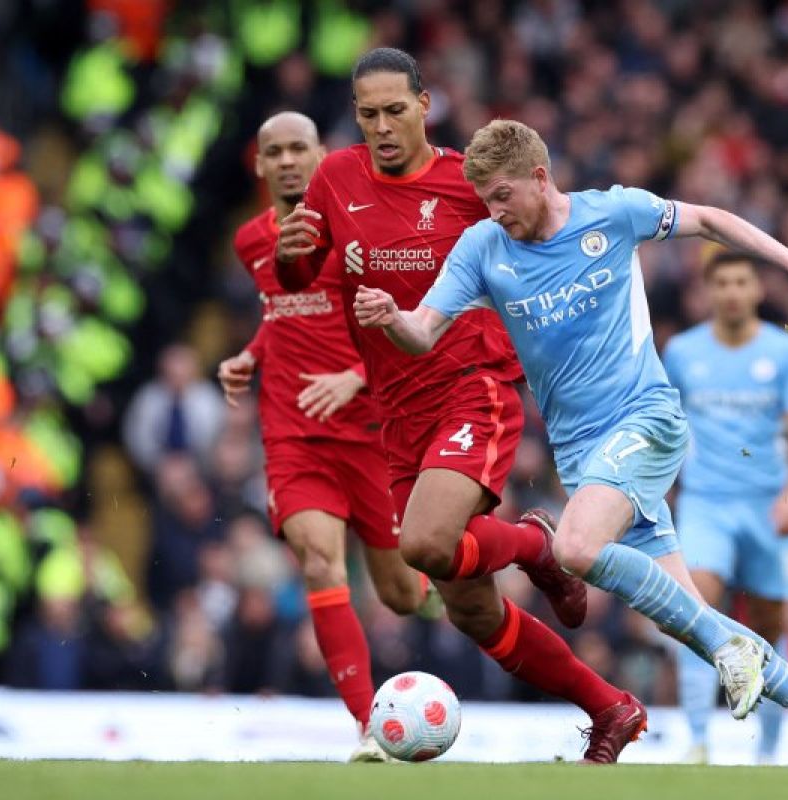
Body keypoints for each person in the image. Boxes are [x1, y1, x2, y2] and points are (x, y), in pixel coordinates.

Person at [358, 118, 788, 767]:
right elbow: (422, 331)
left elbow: (711, 219)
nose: (494, 211)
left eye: (503, 195)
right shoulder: (483, 248)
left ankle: (730, 650)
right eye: (485, 199)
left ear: (540, 179)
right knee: (684, 616)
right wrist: (392, 319)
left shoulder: (615, 212)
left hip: (645, 420)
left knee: (573, 547)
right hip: (584, 456)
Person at [273, 49, 644, 764]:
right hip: (397, 410)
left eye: (395, 110)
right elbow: (305, 270)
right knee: (471, 608)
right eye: (368, 113)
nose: (382, 126)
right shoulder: (335, 177)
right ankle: (610, 708)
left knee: (423, 547)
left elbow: (548, 235)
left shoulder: (467, 186)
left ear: (424, 104)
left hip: (472, 386)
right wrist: (292, 252)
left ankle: (537, 543)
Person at [217, 111, 440, 762]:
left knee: (403, 595)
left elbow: (407, 329)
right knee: (319, 557)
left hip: (371, 432)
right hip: (294, 433)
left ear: (322, 157)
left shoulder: (363, 235)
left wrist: (352, 377)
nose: (287, 161)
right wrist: (253, 355)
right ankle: (368, 726)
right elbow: (281, 313)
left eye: (299, 149)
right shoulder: (251, 240)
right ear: (259, 165)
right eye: (274, 152)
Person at [664, 251, 788, 764]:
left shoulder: (785, 352)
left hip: (768, 506)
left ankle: (768, 751)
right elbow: (665, 424)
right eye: (722, 283)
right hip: (706, 502)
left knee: (769, 628)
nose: (731, 291)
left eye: (741, 282)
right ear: (709, 292)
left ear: (756, 291)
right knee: (695, 611)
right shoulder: (683, 353)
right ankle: (697, 740)